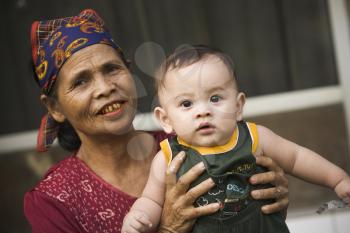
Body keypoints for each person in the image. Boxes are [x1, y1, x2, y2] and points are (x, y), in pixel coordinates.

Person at [24, 10, 289, 233]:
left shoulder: (189, 142)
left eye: (112, 69)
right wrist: (168, 229)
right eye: (80, 81)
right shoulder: (53, 201)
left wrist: (270, 201)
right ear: (54, 107)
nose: (105, 88)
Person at [122, 45, 350, 233]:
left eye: (215, 98)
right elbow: (152, 200)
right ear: (166, 119)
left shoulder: (255, 137)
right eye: (186, 104)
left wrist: (338, 180)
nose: (203, 111)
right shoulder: (167, 159)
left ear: (238, 106)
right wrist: (138, 216)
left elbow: (297, 158)